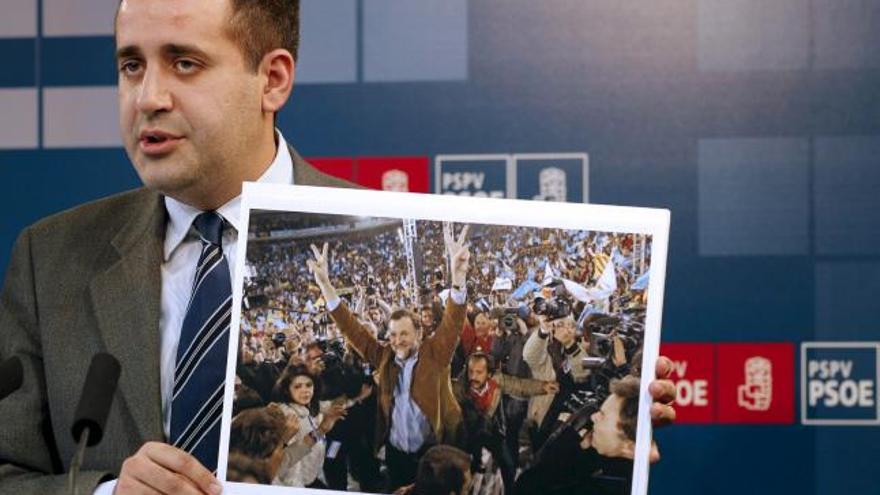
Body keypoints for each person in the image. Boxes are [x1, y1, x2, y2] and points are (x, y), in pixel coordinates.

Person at [0, 1, 678, 494]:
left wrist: (614, 422)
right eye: (130, 65)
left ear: (273, 80)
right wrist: (102, 493)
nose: (147, 96)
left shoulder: (368, 230)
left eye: (184, 63)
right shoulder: (50, 257)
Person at [307, 226, 471, 490]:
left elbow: (452, 323)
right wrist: (326, 286)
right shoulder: (383, 357)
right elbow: (352, 329)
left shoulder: (435, 353)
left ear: (418, 332)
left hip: (430, 453)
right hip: (395, 454)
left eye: (404, 334)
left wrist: (458, 278)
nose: (397, 340)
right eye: (393, 335)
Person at [453, 352, 558, 493]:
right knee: (467, 466)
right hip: (470, 432)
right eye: (471, 372)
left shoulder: (497, 380)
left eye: (479, 372)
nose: (473, 377)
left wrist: (543, 387)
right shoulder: (459, 389)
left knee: (508, 465)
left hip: (493, 429)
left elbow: (519, 386)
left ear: (489, 374)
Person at [269, 364, 345, 488]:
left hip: (313, 476)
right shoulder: (288, 415)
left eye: (309, 385)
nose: (305, 390)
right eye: (297, 386)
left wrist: (322, 430)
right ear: (287, 390)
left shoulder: (306, 409)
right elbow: (288, 464)